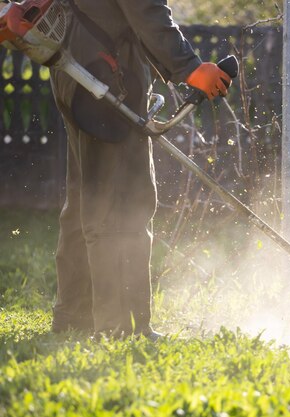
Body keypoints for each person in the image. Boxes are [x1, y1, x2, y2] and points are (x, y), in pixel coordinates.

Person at [50, 0, 231, 339]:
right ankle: (123, 325)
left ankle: (75, 316)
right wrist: (189, 67)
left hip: (77, 66)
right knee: (124, 202)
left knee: (87, 197)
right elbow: (146, 12)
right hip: (104, 73)